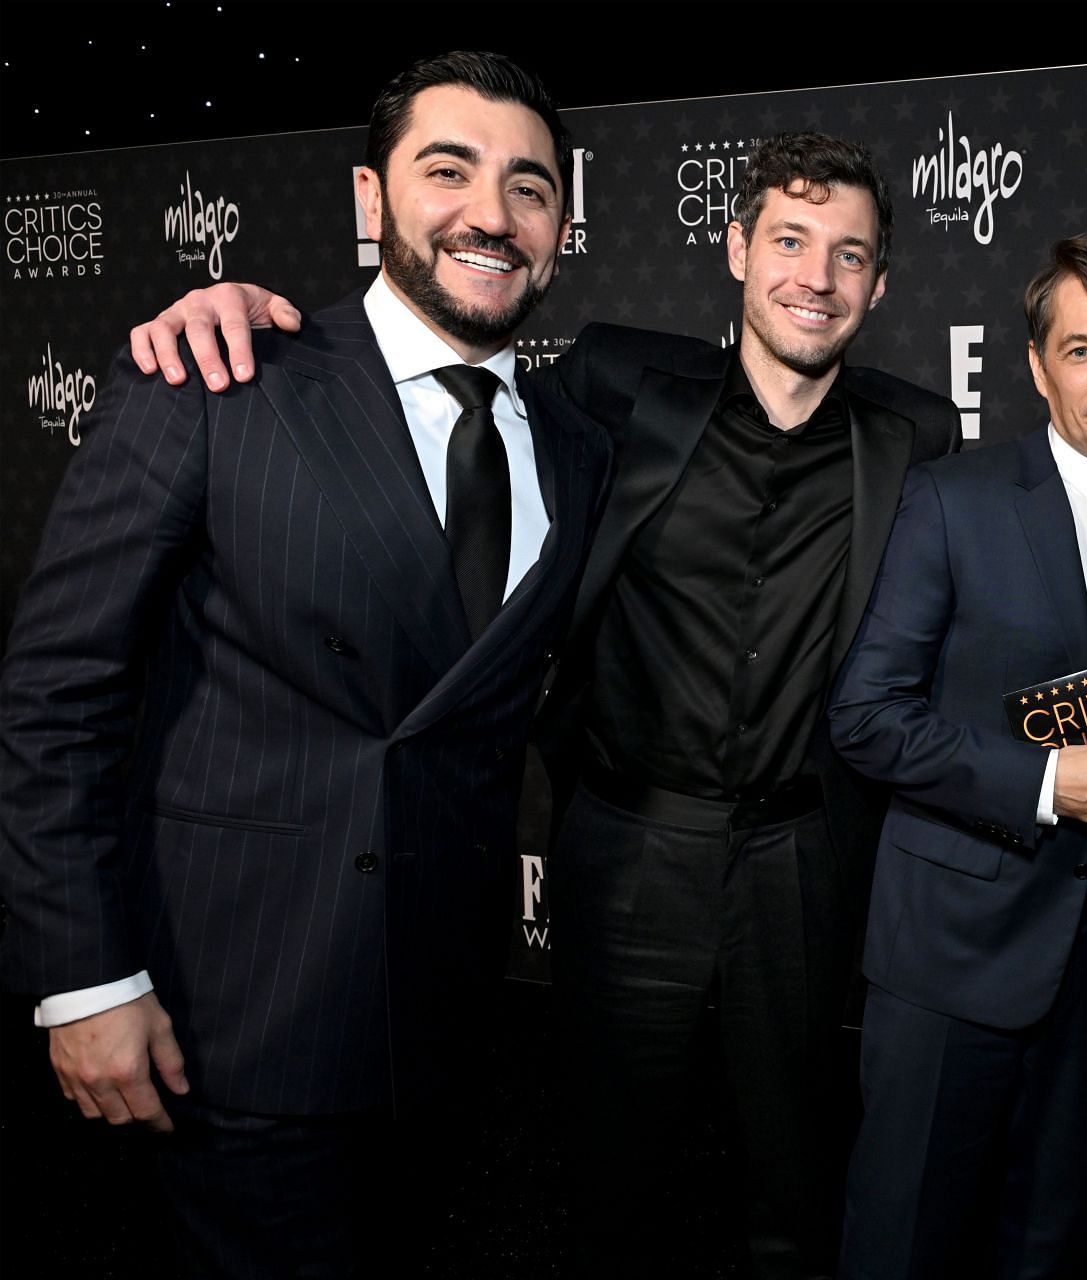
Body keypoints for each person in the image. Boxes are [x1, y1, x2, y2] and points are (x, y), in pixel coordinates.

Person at [126, 131, 959, 1278]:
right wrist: (234, 312)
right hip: (626, 845)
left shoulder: (915, 432)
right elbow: (434, 379)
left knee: (798, 1164)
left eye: (849, 254)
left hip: (801, 853)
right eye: (790, 241)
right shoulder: (617, 385)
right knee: (610, 1166)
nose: (815, 277)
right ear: (736, 249)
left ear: (880, 282)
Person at [0, 51, 609, 1275]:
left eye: (530, 187)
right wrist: (82, 981)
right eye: (450, 170)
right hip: (233, 1021)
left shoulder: (582, 447)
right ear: (369, 202)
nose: (492, 212)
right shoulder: (215, 376)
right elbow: (55, 696)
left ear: (561, 228)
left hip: (443, 1028)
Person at [828, 231, 1087, 1278]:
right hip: (952, 946)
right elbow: (866, 713)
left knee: (1053, 1244)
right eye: (1081, 349)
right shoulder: (955, 497)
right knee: (907, 1239)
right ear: (1037, 366)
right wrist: (1043, 780)